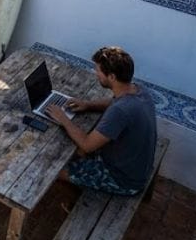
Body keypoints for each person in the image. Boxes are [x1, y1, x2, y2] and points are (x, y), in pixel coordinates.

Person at [46, 46, 157, 196]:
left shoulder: (120, 111)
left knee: (52, 171)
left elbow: (87, 145)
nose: (96, 73)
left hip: (123, 179)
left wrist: (63, 119)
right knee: (76, 151)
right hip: (134, 164)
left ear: (111, 77)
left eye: (98, 71)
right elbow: (114, 102)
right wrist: (87, 104)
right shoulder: (139, 90)